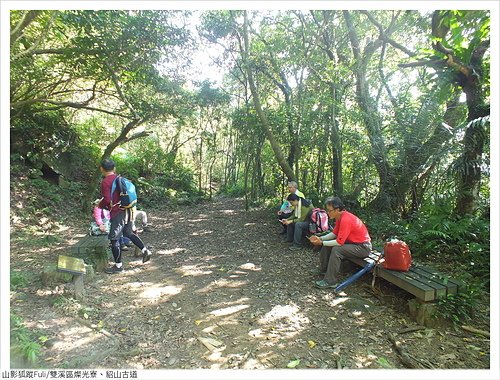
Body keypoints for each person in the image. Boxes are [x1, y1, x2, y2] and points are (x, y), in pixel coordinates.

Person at [98, 159, 152, 274]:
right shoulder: (119, 179)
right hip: (128, 210)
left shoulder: (106, 182)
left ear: (101, 169)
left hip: (118, 212)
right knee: (128, 233)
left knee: (114, 238)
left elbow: (107, 200)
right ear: (114, 168)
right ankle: (145, 250)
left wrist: (100, 204)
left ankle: (118, 266)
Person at [309, 196, 372, 289]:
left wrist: (321, 243)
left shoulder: (346, 219)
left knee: (337, 250)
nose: (327, 212)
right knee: (328, 244)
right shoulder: (340, 217)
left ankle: (330, 281)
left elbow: (339, 242)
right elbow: (334, 234)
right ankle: (323, 269)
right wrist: (320, 239)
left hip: (362, 247)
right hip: (352, 244)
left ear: (337, 209)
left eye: (329, 210)